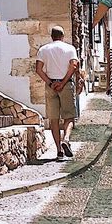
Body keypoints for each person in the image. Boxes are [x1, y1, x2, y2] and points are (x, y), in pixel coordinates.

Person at [35, 25, 80, 159]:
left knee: (54, 119)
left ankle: (59, 151)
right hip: (65, 85)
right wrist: (64, 82)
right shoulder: (70, 48)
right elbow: (74, 65)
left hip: (51, 86)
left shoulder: (43, 50)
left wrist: (50, 83)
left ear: (51, 36)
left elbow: (38, 69)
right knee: (69, 116)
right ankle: (66, 139)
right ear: (62, 36)